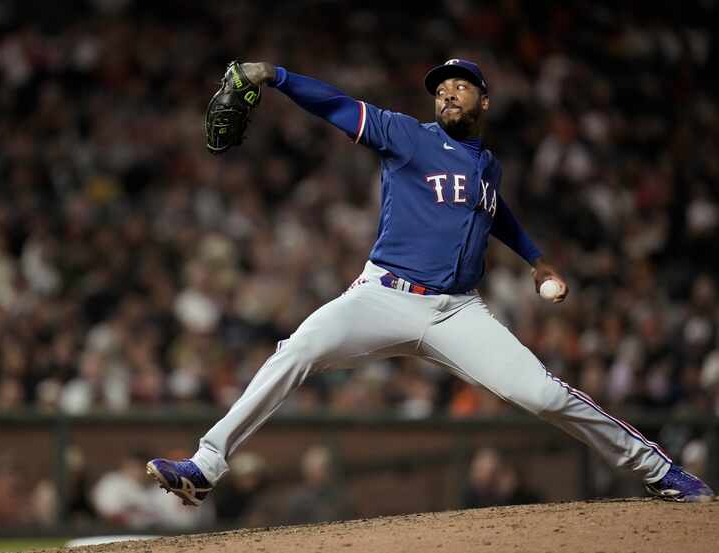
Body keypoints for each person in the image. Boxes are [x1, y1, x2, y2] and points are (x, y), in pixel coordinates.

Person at [147, 59, 714, 506]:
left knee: (543, 394)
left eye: (461, 85)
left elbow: (496, 212)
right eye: (441, 86)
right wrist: (277, 76)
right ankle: (205, 466)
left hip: (457, 313)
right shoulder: (405, 135)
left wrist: (536, 259)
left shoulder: (488, 166)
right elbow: (337, 106)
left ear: (483, 101)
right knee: (296, 350)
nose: (447, 92)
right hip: (382, 295)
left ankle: (659, 472)